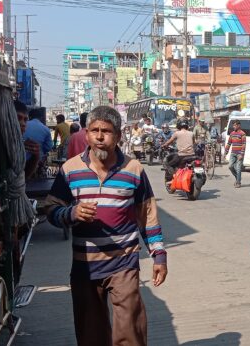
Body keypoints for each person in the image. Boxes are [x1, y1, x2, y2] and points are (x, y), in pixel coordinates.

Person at [43, 106, 168, 346]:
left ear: (118, 136)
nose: (100, 137)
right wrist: (71, 213)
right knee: (91, 333)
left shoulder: (134, 170)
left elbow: (147, 215)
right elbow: (51, 209)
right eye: (95, 131)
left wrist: (159, 255)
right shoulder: (70, 170)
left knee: (130, 330)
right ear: (87, 134)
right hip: (85, 265)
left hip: (124, 262)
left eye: (107, 131)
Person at [15, 101, 40, 179]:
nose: (23, 123)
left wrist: (35, 156)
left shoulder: (19, 143)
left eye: (25, 120)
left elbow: (23, 175)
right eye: (18, 118)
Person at [225, 120, 247, 188]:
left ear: (238, 125)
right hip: (233, 153)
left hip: (239, 154)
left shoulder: (243, 134)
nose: (233, 126)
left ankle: (238, 182)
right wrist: (226, 151)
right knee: (230, 166)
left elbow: (244, 144)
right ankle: (238, 178)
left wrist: (241, 154)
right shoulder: (232, 134)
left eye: (235, 125)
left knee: (238, 168)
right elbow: (229, 143)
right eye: (233, 125)